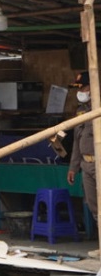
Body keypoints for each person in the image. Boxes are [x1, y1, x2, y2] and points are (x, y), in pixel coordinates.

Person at [68, 72, 97, 225]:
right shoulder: (81, 110)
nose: (80, 93)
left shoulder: (98, 109)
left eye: (83, 88)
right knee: (93, 205)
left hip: (99, 163)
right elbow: (76, 142)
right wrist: (73, 167)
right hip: (86, 165)